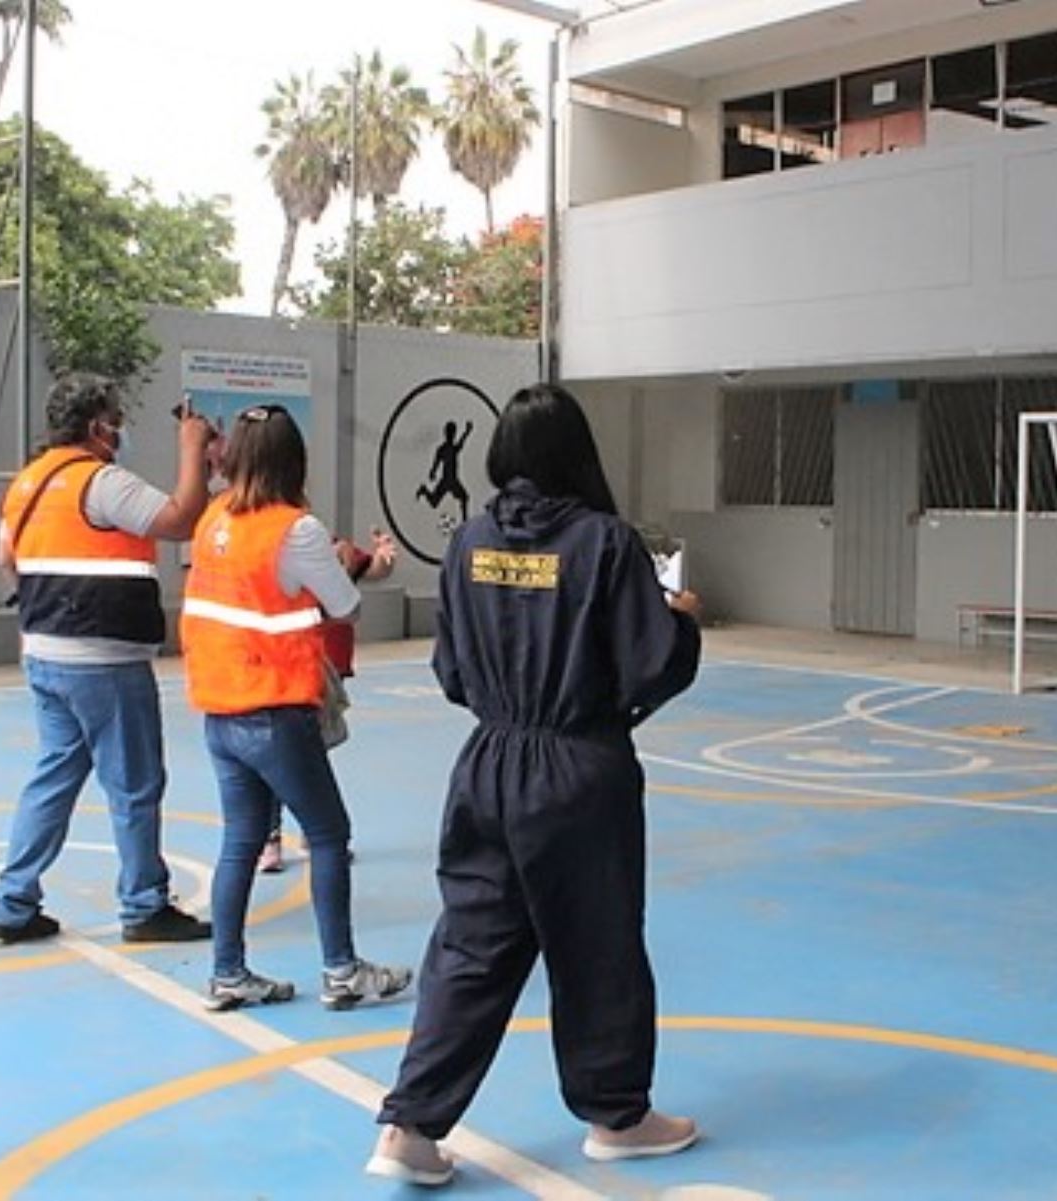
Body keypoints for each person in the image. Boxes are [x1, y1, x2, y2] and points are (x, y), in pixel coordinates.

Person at [367, 383, 704, 1187]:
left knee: (471, 945)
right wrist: (681, 619)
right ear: (577, 453)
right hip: (578, 772)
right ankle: (616, 1113)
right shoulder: (605, 543)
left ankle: (410, 1126)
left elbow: (450, 669)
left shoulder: (469, 541)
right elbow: (651, 663)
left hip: (488, 765)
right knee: (598, 946)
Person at [181, 403, 413, 1011]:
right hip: (276, 711)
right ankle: (341, 970)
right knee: (330, 834)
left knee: (240, 841)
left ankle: (227, 972)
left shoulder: (212, 520)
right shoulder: (296, 529)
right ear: (295, 460)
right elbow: (345, 607)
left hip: (221, 710)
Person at [0, 373, 215, 946]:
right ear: (97, 426)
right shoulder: (102, 484)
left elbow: (6, 559)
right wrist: (192, 452)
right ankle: (143, 904)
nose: (121, 429)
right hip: (103, 658)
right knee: (135, 782)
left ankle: (13, 901)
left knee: (55, 775)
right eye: (116, 419)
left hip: (44, 651)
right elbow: (181, 521)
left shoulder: (26, 484)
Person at [257, 526, 398, 874]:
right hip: (287, 665)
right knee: (284, 756)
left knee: (311, 752)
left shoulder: (332, 545)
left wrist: (383, 557)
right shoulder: (271, 548)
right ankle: (274, 836)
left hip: (323, 667)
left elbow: (371, 571)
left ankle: (308, 830)